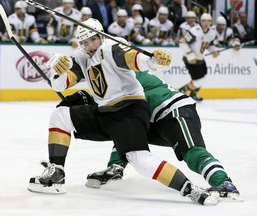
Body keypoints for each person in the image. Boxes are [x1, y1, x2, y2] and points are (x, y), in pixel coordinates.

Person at [28, 18, 217, 205]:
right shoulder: (82, 56)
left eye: (93, 39)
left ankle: (189, 189)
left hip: (129, 110)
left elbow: (134, 59)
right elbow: (61, 84)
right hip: (104, 113)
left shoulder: (112, 47)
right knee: (60, 116)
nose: (90, 45)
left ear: (100, 36)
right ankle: (56, 174)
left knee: (140, 160)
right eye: (85, 42)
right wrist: (57, 72)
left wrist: (153, 60)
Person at [85, 71, 240, 200]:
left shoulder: (126, 77)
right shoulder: (118, 76)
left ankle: (224, 183)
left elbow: (105, 102)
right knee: (127, 130)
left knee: (192, 153)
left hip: (175, 111)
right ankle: (116, 168)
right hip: (156, 119)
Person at [178, 13, 219, 102]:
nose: (206, 23)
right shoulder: (195, 31)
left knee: (203, 78)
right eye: (204, 21)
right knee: (198, 80)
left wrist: (213, 51)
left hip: (200, 59)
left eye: (208, 21)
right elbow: (182, 42)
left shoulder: (212, 32)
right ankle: (181, 91)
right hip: (190, 60)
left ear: (211, 22)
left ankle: (193, 94)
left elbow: (210, 45)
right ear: (200, 21)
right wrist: (190, 56)